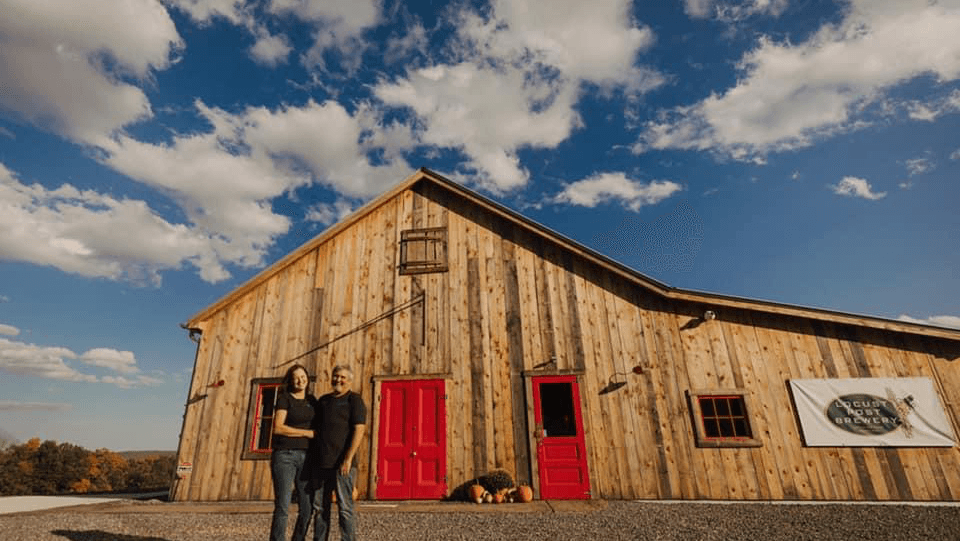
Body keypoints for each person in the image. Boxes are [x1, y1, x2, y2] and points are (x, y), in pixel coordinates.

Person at [311, 365, 367, 541]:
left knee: (345, 507)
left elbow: (359, 430)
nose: (338, 380)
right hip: (321, 463)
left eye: (342, 377)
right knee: (320, 508)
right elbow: (316, 430)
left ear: (349, 380)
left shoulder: (354, 400)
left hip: (343, 464)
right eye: (336, 376)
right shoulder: (323, 401)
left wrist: (348, 458)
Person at [270, 364, 317, 541]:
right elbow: (278, 428)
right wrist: (307, 433)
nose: (300, 380)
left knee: (307, 508)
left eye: (303, 376)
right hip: (285, 456)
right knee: (283, 506)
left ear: (307, 378)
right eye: (296, 377)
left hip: (307, 457)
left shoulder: (313, 401)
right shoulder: (285, 399)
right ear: (290, 381)